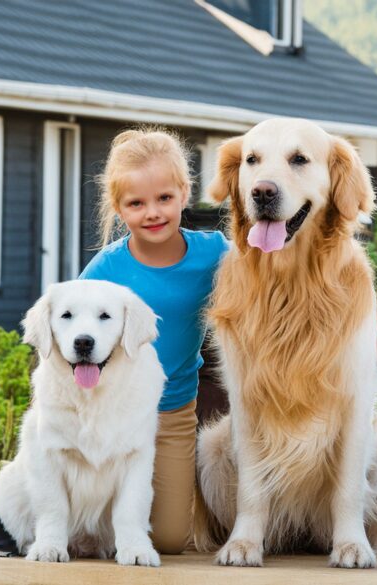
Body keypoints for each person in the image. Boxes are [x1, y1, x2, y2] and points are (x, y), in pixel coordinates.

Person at [80, 127, 229, 554]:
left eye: (164, 198)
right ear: (119, 208)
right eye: (136, 203)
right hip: (110, 415)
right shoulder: (106, 269)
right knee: (104, 530)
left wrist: (363, 309)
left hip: (173, 414)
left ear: (185, 193)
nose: (153, 212)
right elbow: (65, 330)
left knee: (168, 539)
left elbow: (273, 282)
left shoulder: (214, 254)